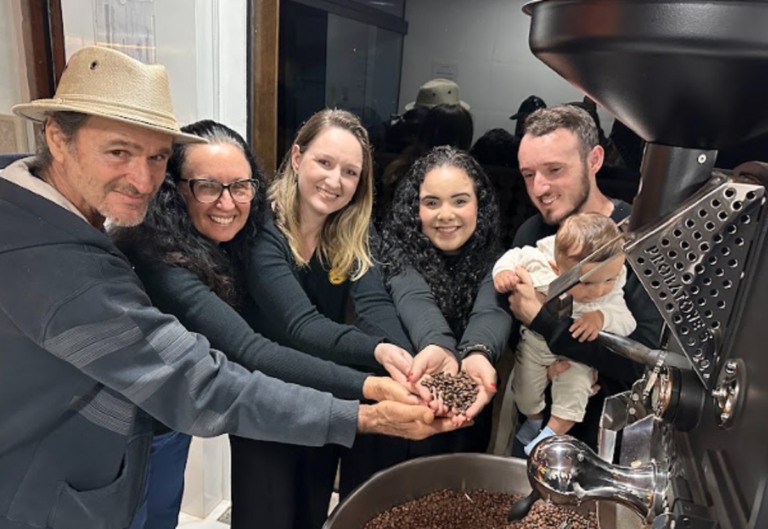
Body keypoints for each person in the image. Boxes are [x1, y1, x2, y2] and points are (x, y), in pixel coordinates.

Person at [0, 46, 458, 529]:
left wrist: (426, 348)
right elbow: (212, 374)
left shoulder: (224, 233)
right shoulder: (69, 261)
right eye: (118, 151)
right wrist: (367, 406)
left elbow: (386, 290)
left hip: (145, 438)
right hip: (53, 494)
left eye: (156, 157)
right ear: (57, 137)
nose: (142, 178)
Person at [111, 120, 418, 529]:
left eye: (239, 186)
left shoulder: (232, 238)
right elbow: (255, 347)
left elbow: (377, 301)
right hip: (129, 422)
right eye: (208, 186)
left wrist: (409, 357)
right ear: (175, 188)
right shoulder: (165, 259)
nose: (227, 202)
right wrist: (372, 381)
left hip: (183, 414)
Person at [235, 108, 420, 529]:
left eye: (350, 172)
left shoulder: (352, 229)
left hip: (326, 396)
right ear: (297, 158)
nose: (335, 181)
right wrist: (379, 352)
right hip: (267, 397)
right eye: (325, 162)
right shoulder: (261, 228)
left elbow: (374, 305)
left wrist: (407, 362)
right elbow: (300, 326)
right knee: (265, 515)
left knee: (311, 510)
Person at [506, 104, 665, 451]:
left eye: (554, 170)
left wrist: (548, 326)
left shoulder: (635, 240)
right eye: (528, 174)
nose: (539, 188)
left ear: (594, 160)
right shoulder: (531, 234)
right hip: (533, 421)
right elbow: (514, 323)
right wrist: (543, 365)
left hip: (603, 439)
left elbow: (646, 364)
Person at [376, 145, 512, 460]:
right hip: (399, 414)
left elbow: (491, 309)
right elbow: (413, 296)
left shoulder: (501, 261)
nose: (446, 214)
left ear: (480, 205)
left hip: (465, 417)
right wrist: (438, 344)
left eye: (460, 201)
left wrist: (478, 352)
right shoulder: (394, 254)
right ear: (415, 209)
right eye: (432, 202)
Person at [492, 213, 636, 455]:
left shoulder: (610, 293)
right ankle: (534, 421)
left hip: (576, 357)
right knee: (525, 393)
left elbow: (627, 322)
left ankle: (550, 434)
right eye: (587, 283)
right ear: (556, 268)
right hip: (536, 346)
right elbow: (513, 256)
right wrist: (503, 272)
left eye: (609, 279)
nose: (598, 291)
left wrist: (601, 317)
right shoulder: (541, 259)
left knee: (575, 392)